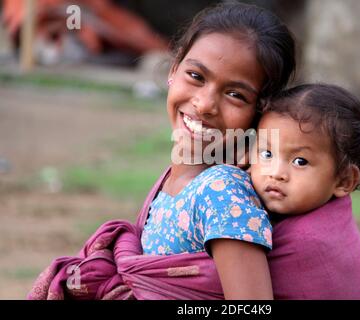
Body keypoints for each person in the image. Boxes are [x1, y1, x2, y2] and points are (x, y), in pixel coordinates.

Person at [28, 2, 296, 300]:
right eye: (196, 76)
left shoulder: (223, 193)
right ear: (173, 69)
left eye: (235, 94)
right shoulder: (175, 177)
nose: (205, 104)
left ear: (260, 112)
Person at [249, 83, 360, 299]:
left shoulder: (308, 241)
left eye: (300, 161)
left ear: (344, 180)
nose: (275, 173)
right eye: (266, 154)